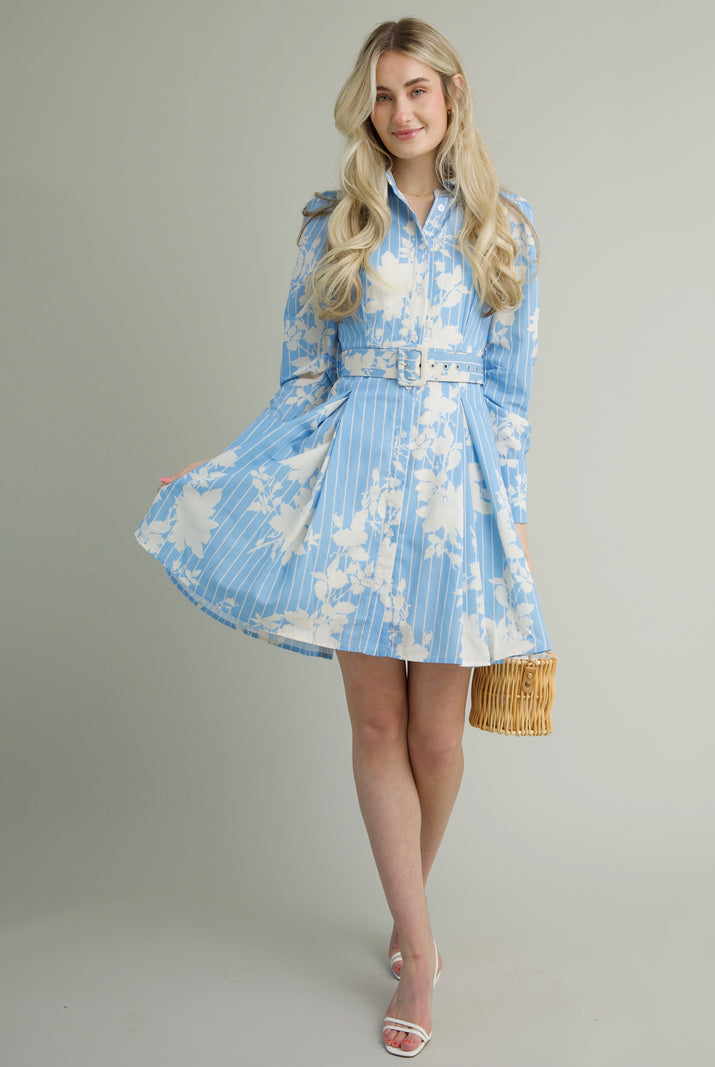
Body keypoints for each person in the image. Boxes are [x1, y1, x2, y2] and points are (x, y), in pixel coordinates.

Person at [135, 17, 551, 1058]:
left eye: (417, 90)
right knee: (376, 728)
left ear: (451, 94)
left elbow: (510, 399)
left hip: (456, 497)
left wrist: (512, 523)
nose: (400, 112)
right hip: (356, 482)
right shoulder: (333, 225)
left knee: (437, 742)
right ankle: (417, 947)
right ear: (365, 109)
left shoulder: (505, 227)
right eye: (382, 95)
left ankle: (409, 907)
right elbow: (300, 383)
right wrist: (220, 470)